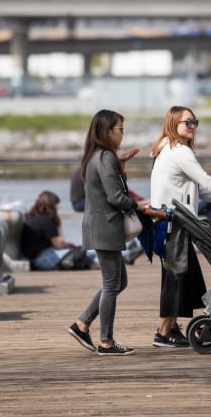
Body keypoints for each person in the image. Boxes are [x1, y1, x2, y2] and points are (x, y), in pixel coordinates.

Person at [148, 105, 211, 348]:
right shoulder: (179, 151)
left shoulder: (165, 149)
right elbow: (205, 180)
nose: (193, 127)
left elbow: (199, 188)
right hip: (175, 223)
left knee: (181, 275)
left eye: (195, 122)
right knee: (175, 277)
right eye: (187, 123)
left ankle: (171, 328)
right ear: (174, 124)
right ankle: (163, 333)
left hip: (171, 222)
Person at [67, 109, 144, 356]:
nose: (123, 133)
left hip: (100, 226)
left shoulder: (97, 156)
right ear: (107, 131)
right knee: (112, 284)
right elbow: (115, 196)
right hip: (106, 226)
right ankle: (106, 342)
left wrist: (121, 164)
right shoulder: (105, 158)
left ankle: (82, 324)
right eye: (120, 128)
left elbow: (107, 188)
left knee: (119, 281)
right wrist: (137, 206)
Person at [69, 164, 145, 265]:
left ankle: (127, 247)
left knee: (115, 204)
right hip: (80, 203)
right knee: (114, 207)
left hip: (81, 201)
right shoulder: (92, 170)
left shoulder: (87, 169)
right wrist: (134, 201)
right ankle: (127, 248)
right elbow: (113, 191)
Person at [21, 190, 98, 271]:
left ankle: (96, 266)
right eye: (57, 206)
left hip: (35, 260)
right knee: (94, 251)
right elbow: (59, 244)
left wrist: (67, 245)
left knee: (83, 254)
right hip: (45, 258)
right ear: (52, 206)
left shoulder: (30, 219)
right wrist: (59, 224)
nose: (57, 209)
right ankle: (107, 272)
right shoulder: (46, 220)